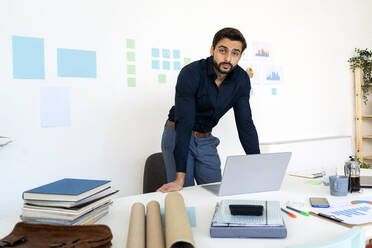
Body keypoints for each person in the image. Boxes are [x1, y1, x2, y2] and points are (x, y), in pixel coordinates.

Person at [157, 27, 260, 193]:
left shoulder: (241, 80)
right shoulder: (191, 73)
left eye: (235, 53)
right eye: (222, 50)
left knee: (217, 191)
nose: (228, 58)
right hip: (178, 132)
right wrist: (179, 178)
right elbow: (184, 122)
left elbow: (245, 124)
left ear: (240, 56)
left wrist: (257, 166)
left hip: (206, 139)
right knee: (185, 192)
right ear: (212, 49)